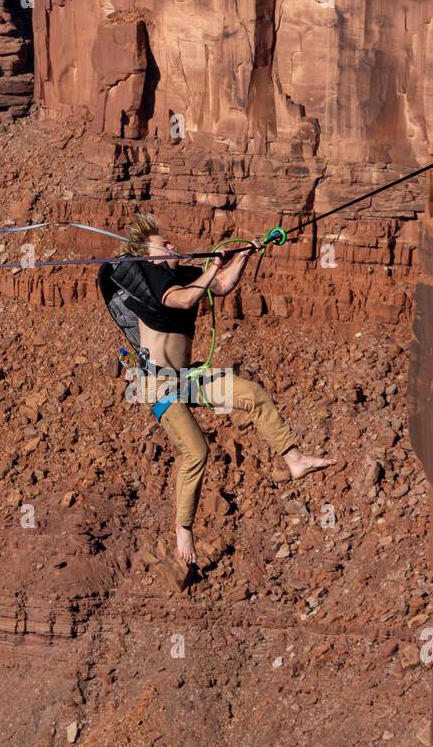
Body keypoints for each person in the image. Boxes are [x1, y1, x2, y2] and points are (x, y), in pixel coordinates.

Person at [107, 213, 326, 565]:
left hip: (188, 377)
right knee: (196, 451)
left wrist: (242, 258)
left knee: (251, 394)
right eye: (164, 244)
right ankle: (183, 529)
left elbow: (221, 286)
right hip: (157, 384)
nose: (172, 244)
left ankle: (295, 459)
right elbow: (182, 301)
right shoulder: (149, 280)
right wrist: (211, 268)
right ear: (148, 255)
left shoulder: (183, 275)